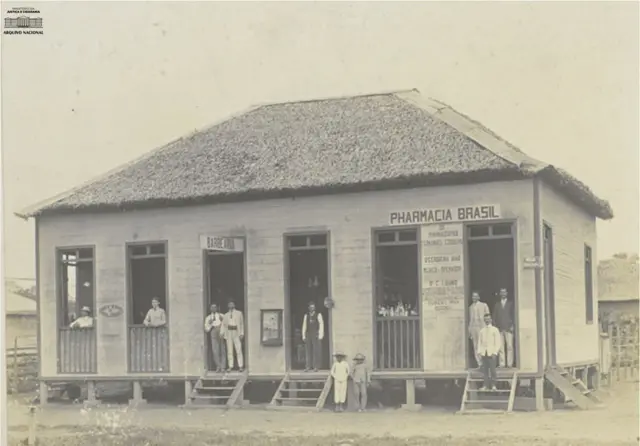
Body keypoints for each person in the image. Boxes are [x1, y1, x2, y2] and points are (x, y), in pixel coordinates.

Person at [477, 313, 501, 391]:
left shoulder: (495, 330)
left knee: (493, 370)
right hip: (484, 352)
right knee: (485, 370)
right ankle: (485, 385)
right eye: (485, 319)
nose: (487, 321)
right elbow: (479, 343)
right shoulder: (482, 331)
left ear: (491, 320)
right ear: (484, 320)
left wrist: (495, 352)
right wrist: (479, 352)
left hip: (492, 353)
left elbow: (498, 342)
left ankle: (494, 385)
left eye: (488, 319)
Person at [492, 288, 515, 368]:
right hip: (499, 328)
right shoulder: (497, 304)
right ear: (500, 294)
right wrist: (495, 327)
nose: (503, 293)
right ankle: (502, 364)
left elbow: (514, 315)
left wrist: (513, 326)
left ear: (507, 293)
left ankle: (509, 364)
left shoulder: (511, 304)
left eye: (504, 292)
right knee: (501, 347)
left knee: (509, 346)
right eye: (501, 292)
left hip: (509, 328)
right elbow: (494, 317)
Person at [468, 291, 490, 367]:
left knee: (484, 344)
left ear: (479, 297)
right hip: (474, 327)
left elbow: (488, 317)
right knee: (475, 345)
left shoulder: (484, 305)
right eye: (473, 296)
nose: (474, 298)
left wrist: (488, 327)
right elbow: (470, 320)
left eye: (476, 296)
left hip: (482, 327)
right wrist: (469, 330)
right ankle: (479, 363)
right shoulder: (470, 307)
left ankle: (485, 362)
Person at [221, 301, 244, 372]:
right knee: (229, 350)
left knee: (238, 349)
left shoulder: (239, 313)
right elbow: (223, 325)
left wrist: (242, 333)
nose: (231, 305)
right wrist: (222, 333)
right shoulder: (226, 315)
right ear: (228, 306)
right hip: (229, 332)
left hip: (236, 331)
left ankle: (240, 366)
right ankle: (230, 366)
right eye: (229, 304)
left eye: (232, 304)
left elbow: (241, 324)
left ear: (234, 305)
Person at [301, 302, 324, 372]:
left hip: (315, 334)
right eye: (311, 307)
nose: (312, 309)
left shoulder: (318, 315)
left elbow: (321, 325)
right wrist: (303, 335)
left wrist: (320, 335)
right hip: (308, 334)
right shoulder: (306, 316)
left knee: (316, 350)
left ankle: (316, 366)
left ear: (315, 308)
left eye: (313, 307)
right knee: (308, 350)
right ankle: (308, 366)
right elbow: (304, 325)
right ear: (309, 308)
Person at [204, 303, 226, 372]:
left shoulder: (221, 315)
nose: (213, 309)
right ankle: (218, 366)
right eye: (212, 307)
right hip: (213, 330)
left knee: (222, 350)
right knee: (215, 350)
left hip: (220, 330)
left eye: (215, 307)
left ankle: (223, 367)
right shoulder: (208, 318)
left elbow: (226, 324)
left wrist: (223, 321)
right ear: (210, 309)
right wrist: (210, 324)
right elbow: (206, 329)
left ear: (217, 308)